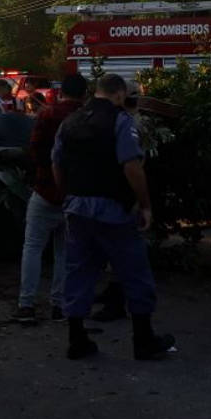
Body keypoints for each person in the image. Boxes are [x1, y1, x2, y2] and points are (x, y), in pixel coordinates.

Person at [53, 73, 175, 360]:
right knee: (134, 271)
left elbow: (56, 165)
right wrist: (145, 206)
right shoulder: (120, 122)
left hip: (77, 209)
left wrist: (67, 196)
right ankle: (143, 340)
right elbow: (132, 167)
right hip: (113, 211)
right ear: (119, 94)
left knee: (78, 271)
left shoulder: (69, 123)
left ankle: (77, 339)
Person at [14, 73, 87, 323]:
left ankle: (27, 305)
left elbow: (34, 149)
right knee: (64, 253)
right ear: (84, 94)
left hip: (45, 191)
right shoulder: (87, 119)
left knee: (32, 247)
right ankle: (59, 305)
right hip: (75, 195)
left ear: (61, 91)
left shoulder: (48, 115)